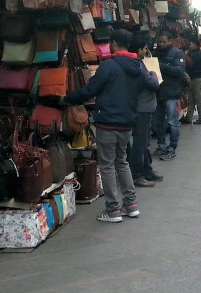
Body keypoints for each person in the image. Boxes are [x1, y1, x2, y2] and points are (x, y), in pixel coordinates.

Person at [64, 28, 158, 223]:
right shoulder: (138, 67)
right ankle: (131, 205)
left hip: (107, 121)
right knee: (122, 162)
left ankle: (113, 209)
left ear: (114, 44)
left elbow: (90, 90)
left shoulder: (108, 66)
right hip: (127, 122)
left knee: (107, 166)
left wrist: (68, 99)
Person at [130, 36, 165, 186]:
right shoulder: (138, 65)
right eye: (145, 48)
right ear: (139, 50)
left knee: (144, 142)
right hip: (142, 108)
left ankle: (147, 171)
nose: (146, 51)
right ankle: (138, 175)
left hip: (145, 107)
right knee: (140, 142)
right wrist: (153, 74)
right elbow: (153, 83)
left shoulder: (140, 63)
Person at [153, 30, 187, 160]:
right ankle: (161, 145)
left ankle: (172, 147)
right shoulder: (155, 54)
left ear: (170, 41)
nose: (161, 44)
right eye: (159, 42)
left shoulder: (177, 54)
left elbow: (179, 71)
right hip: (157, 92)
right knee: (158, 122)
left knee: (173, 122)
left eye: (164, 42)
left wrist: (160, 66)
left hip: (171, 93)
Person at [184, 34, 201, 125]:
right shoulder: (192, 53)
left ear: (195, 44)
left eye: (191, 44)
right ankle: (188, 117)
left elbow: (191, 65)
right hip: (192, 78)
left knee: (198, 99)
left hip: (197, 79)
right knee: (191, 99)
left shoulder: (197, 54)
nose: (189, 45)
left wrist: (185, 57)